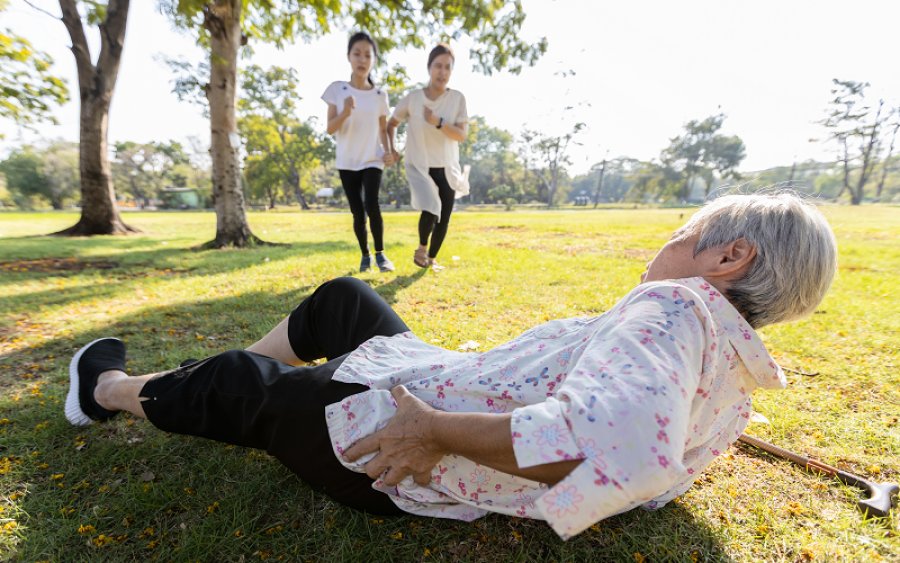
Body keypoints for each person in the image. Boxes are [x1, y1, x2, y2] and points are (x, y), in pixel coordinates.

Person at [65, 193, 837, 540]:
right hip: (436, 380)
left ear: (729, 256)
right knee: (345, 300)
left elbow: (617, 448)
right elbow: (656, 466)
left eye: (682, 231)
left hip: (394, 449)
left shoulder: (673, 307)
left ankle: (102, 390)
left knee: (243, 385)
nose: (663, 247)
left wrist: (436, 432)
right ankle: (201, 380)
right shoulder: (732, 370)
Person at [386, 44, 470, 270]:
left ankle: (431, 258)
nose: (442, 72)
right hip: (419, 164)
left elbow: (461, 135)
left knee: (443, 217)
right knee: (431, 207)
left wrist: (439, 123)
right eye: (438, 66)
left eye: (447, 67)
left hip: (447, 165)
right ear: (429, 68)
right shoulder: (413, 99)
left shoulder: (457, 99)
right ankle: (422, 248)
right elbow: (391, 124)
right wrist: (392, 149)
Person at [322, 32, 395, 273]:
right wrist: (345, 111)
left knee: (372, 205)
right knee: (357, 212)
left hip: (372, 158)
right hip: (347, 160)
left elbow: (383, 129)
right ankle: (365, 255)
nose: (362, 59)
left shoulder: (379, 96)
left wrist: (389, 151)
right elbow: (331, 128)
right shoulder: (337, 89)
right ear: (348, 57)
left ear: (373, 60)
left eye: (367, 55)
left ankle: (381, 255)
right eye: (357, 54)